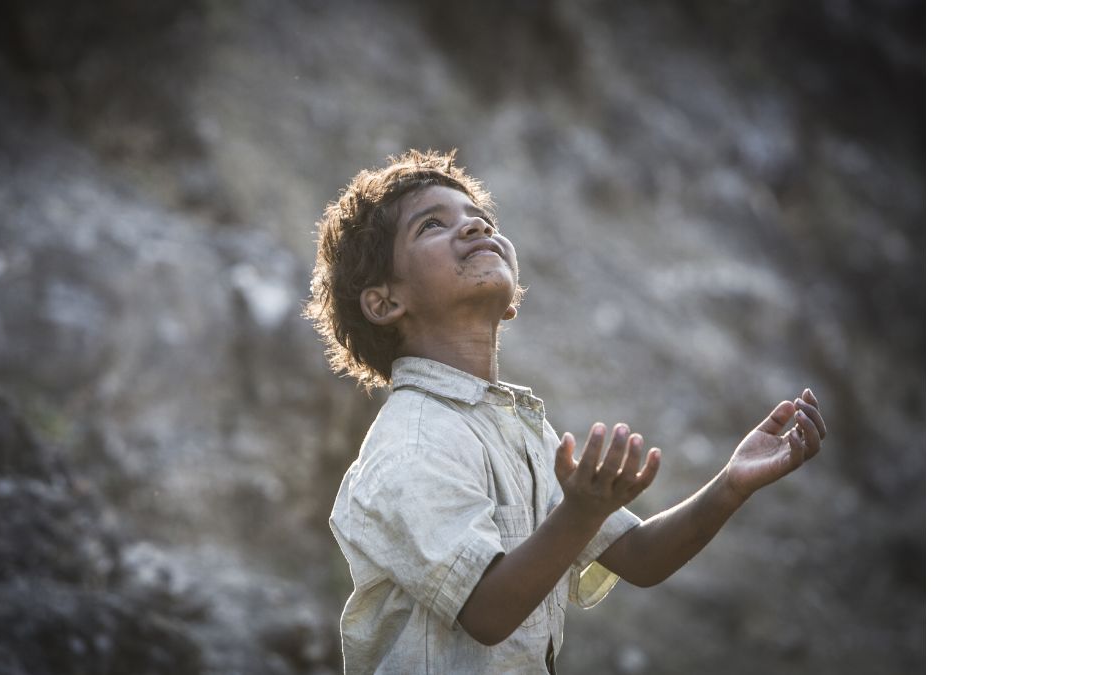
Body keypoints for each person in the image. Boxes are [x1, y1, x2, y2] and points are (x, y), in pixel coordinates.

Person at [305, 149, 827, 674]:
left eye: (480, 220)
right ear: (385, 303)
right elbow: (487, 613)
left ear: (510, 295)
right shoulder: (412, 445)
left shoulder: (518, 430)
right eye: (433, 225)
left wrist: (732, 484)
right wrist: (580, 510)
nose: (473, 229)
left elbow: (641, 557)